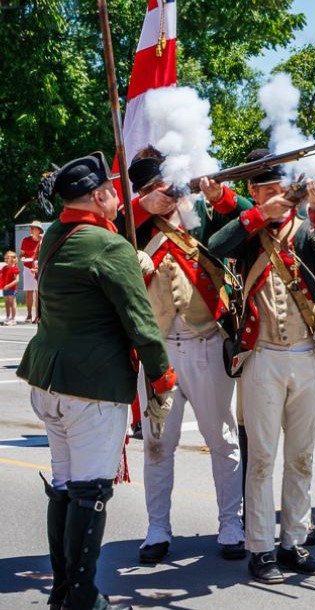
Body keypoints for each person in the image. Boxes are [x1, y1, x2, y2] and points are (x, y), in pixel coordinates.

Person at [18, 152, 176, 610]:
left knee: (67, 486)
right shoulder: (110, 247)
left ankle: (64, 589)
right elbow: (141, 323)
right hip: (91, 388)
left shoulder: (56, 234)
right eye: (111, 188)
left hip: (48, 379)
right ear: (100, 195)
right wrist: (162, 379)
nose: (117, 193)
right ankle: (84, 597)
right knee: (89, 491)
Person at [208, 150, 315, 584]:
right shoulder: (248, 230)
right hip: (262, 355)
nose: (274, 193)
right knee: (262, 458)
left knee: (301, 457)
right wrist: (257, 215)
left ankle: (293, 540)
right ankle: (261, 546)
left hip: (307, 358)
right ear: (253, 192)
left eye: (278, 187)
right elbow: (215, 247)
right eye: (265, 188)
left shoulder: (304, 230)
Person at [122, 148, 248, 565]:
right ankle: (157, 528)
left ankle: (231, 523)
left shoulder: (198, 213)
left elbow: (247, 222)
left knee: (222, 440)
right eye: (152, 189)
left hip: (207, 342)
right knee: (158, 445)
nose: (164, 193)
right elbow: (112, 226)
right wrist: (143, 206)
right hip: (158, 349)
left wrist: (220, 196)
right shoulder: (133, 223)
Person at [19, 220, 44, 322]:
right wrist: (22, 259)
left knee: (38, 293)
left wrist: (38, 265)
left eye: (33, 227)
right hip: (28, 268)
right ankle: (29, 315)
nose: (31, 229)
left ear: (38, 230)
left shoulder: (43, 240)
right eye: (31, 227)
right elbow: (21, 254)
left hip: (39, 269)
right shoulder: (26, 240)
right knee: (29, 292)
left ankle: (37, 316)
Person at [2, 250, 19, 325]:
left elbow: (17, 280)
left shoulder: (15, 268)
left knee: (12, 303)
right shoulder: (4, 268)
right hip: (5, 289)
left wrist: (8, 285)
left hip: (12, 289)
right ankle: (8, 317)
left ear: (13, 259)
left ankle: (13, 319)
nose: (5, 260)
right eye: (5, 258)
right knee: (7, 303)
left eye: (7, 258)